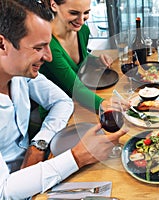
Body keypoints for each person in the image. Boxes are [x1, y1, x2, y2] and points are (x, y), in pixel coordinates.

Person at [0, 0, 126, 198]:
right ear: (2, 44)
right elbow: (4, 191)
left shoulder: (20, 74)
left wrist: (39, 144)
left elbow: (63, 101)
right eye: (39, 47)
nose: (49, 57)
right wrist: (77, 156)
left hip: (39, 172)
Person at [39, 0, 115, 116]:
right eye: (74, 13)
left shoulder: (83, 31)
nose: (81, 20)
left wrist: (96, 60)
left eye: (86, 13)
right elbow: (75, 88)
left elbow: (78, 60)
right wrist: (103, 103)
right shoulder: (48, 44)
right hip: (58, 111)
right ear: (54, 5)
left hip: (82, 99)